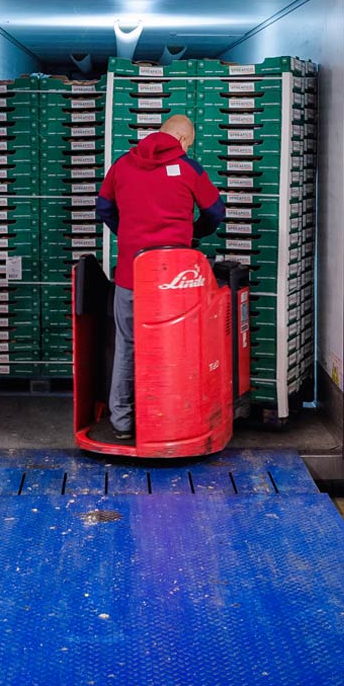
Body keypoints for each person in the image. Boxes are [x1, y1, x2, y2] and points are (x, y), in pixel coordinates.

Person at [91, 114, 224, 442]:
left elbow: (103, 207)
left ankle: (122, 421)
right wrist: (193, 233)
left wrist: (127, 234)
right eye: (188, 144)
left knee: (127, 345)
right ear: (181, 139)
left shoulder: (122, 164)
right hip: (172, 280)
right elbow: (216, 212)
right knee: (174, 349)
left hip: (130, 276)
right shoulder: (189, 168)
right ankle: (168, 420)